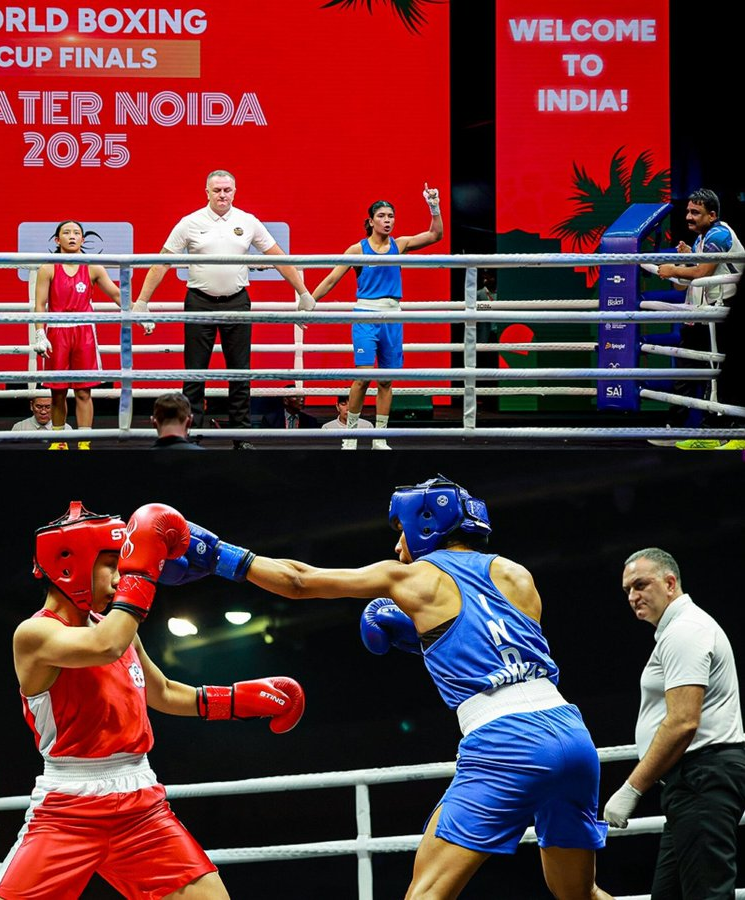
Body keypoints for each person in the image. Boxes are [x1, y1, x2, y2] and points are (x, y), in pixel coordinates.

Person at [166, 476, 613, 900]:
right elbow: (503, 652)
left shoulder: (413, 577)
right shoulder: (517, 574)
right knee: (578, 893)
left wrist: (221, 555)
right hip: (572, 736)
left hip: (507, 742)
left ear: (425, 526)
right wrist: (424, 640)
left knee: (426, 892)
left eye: (401, 532)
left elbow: (301, 581)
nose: (398, 547)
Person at [0, 501, 304, 900]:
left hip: (141, 805)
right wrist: (143, 569)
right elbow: (105, 646)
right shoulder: (35, 635)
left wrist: (237, 701)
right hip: (68, 809)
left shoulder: (115, 628)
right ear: (72, 565)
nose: (120, 578)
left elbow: (162, 691)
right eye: (111, 566)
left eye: (123, 567)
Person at [132, 170, 317, 450]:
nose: (222, 195)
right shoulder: (190, 222)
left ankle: (242, 438)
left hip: (237, 302)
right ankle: (190, 435)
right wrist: (142, 301)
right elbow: (162, 262)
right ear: (206, 192)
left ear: (235, 191)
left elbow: (278, 257)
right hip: (199, 302)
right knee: (194, 374)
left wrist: (303, 292)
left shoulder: (248, 221)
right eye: (217, 190)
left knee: (240, 373)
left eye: (227, 190)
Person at [606, 548, 745, 899]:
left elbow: (683, 722)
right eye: (627, 590)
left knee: (707, 895)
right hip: (691, 782)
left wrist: (632, 788)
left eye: (641, 585)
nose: (633, 596)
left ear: (670, 583)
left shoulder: (686, 631)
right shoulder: (678, 630)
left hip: (703, 777)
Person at [311, 185, 443, 450]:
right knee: (362, 377)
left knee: (385, 380)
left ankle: (380, 438)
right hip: (365, 316)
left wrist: (434, 206)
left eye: (391, 216)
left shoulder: (400, 244)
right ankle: (350, 436)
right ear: (371, 221)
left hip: (393, 316)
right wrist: (308, 303)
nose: (387, 220)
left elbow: (435, 235)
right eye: (381, 216)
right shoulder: (357, 250)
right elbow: (332, 279)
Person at [654, 189, 745, 450]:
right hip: (704, 316)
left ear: (712, 215)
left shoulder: (719, 234)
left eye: (696, 212)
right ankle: (689, 430)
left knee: (722, 375)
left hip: (725, 315)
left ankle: (728, 433)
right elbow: (682, 285)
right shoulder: (701, 240)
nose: (689, 217)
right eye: (688, 211)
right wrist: (684, 263)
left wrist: (675, 268)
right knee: (691, 372)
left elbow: (703, 272)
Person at [32, 220, 121, 451]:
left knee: (83, 391)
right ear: (57, 239)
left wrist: (140, 312)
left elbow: (116, 294)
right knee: (57, 391)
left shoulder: (93, 267)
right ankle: (58, 441)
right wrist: (40, 333)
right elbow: (40, 304)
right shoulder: (48, 268)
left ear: (82, 239)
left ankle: (84, 443)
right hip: (57, 332)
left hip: (84, 332)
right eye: (66, 232)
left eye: (76, 233)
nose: (72, 236)